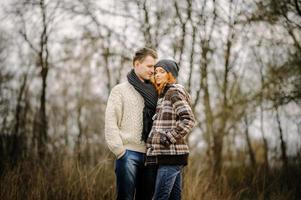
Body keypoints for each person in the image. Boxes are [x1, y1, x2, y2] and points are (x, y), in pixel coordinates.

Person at [105, 47, 158, 200]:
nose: (153, 70)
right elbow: (110, 121)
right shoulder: (119, 90)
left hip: (151, 157)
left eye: (154, 66)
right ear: (136, 64)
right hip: (128, 154)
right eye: (149, 66)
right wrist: (119, 150)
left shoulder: (155, 92)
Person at [145, 59, 195, 200]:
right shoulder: (162, 96)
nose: (157, 75)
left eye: (162, 71)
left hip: (170, 156)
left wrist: (167, 138)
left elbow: (188, 119)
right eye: (155, 72)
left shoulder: (173, 92)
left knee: (160, 197)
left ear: (170, 75)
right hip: (167, 157)